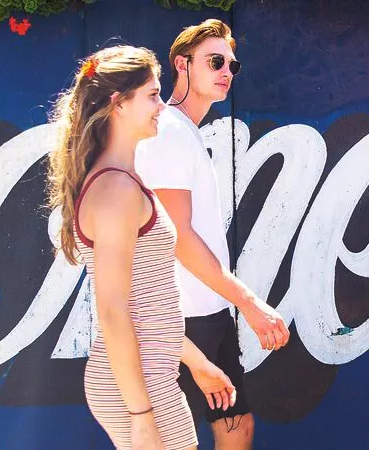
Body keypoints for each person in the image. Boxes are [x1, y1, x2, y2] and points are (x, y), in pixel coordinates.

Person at [48, 45, 236, 450]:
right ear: (119, 103)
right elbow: (113, 311)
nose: (160, 107)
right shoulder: (116, 188)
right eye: (152, 96)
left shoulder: (122, 179)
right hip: (137, 386)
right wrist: (141, 416)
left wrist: (196, 362)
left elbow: (146, 305)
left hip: (150, 375)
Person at [135, 19, 289, 450]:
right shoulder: (166, 132)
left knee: (235, 426)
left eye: (232, 65)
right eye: (215, 61)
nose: (226, 72)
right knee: (172, 439)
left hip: (209, 311)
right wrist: (250, 302)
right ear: (181, 64)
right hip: (178, 318)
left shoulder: (185, 133)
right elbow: (177, 237)